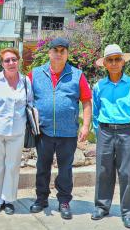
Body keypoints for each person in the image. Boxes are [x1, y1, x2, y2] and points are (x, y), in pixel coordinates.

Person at [28, 37, 92, 220]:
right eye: (55, 50)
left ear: (67, 54)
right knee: (42, 167)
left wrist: (86, 125)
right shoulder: (35, 74)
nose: (58, 54)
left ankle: (64, 201)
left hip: (68, 133)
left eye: (62, 51)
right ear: (49, 53)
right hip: (43, 131)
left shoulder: (77, 75)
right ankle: (41, 199)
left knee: (65, 169)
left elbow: (86, 102)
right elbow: (26, 99)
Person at [91, 44, 130, 229]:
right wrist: (98, 131)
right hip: (105, 131)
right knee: (103, 171)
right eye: (110, 60)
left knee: (127, 173)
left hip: (127, 132)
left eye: (118, 59)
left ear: (123, 62)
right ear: (105, 64)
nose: (114, 63)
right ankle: (102, 206)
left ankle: (129, 212)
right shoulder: (99, 86)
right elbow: (95, 112)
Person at [0, 48, 32, 215]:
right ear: (2, 63)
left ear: (19, 61)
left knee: (12, 165)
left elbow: (30, 103)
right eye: (7, 60)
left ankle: (8, 199)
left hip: (17, 131)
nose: (11, 63)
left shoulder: (25, 82)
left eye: (14, 60)